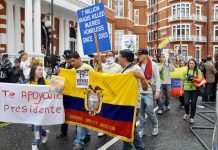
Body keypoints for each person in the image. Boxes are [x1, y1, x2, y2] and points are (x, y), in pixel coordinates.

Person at [118, 49, 146, 150]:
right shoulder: (124, 69)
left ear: (124, 58)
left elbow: (143, 80)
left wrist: (141, 77)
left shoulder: (135, 68)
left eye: (119, 57)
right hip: (125, 102)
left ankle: (139, 147)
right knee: (126, 126)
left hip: (132, 104)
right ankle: (127, 147)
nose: (118, 58)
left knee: (130, 127)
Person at [70, 52, 93, 150]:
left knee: (80, 121)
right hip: (76, 99)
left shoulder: (87, 68)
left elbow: (95, 81)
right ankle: (86, 134)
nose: (72, 63)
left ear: (79, 59)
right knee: (79, 120)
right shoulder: (71, 70)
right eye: (70, 61)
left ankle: (78, 143)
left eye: (74, 61)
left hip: (85, 99)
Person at [97, 51, 122, 137]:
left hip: (114, 92)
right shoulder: (102, 66)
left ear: (114, 56)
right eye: (107, 55)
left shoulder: (118, 67)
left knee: (113, 110)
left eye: (110, 55)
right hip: (103, 92)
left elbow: (122, 79)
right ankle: (103, 129)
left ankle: (113, 127)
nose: (108, 56)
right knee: (103, 110)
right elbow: (97, 76)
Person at [137, 49, 161, 137]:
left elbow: (158, 79)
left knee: (149, 109)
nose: (138, 56)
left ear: (145, 55)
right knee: (141, 112)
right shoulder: (137, 65)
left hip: (149, 91)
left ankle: (155, 125)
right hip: (140, 91)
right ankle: (142, 129)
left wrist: (158, 91)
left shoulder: (153, 65)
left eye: (140, 55)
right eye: (138, 55)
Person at [28, 65, 50, 150]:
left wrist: (60, 87)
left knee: (36, 126)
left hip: (41, 110)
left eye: (42, 70)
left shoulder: (46, 82)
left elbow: (56, 90)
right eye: (39, 70)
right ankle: (44, 133)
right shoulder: (28, 83)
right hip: (31, 109)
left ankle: (35, 143)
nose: (41, 71)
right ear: (34, 71)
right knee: (32, 127)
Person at [56, 50, 74, 141]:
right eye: (66, 58)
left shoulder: (75, 66)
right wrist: (55, 91)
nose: (67, 60)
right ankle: (63, 132)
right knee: (63, 113)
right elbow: (57, 77)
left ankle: (81, 132)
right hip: (63, 92)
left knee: (76, 112)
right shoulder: (61, 66)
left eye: (69, 58)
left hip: (73, 93)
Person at [180, 59, 202, 123]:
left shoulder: (198, 71)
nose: (191, 64)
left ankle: (192, 117)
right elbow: (182, 81)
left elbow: (200, 79)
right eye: (190, 63)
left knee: (193, 104)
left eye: (192, 63)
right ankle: (187, 113)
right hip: (186, 88)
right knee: (186, 103)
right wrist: (181, 90)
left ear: (195, 64)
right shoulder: (185, 71)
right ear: (188, 64)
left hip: (195, 89)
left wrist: (194, 79)